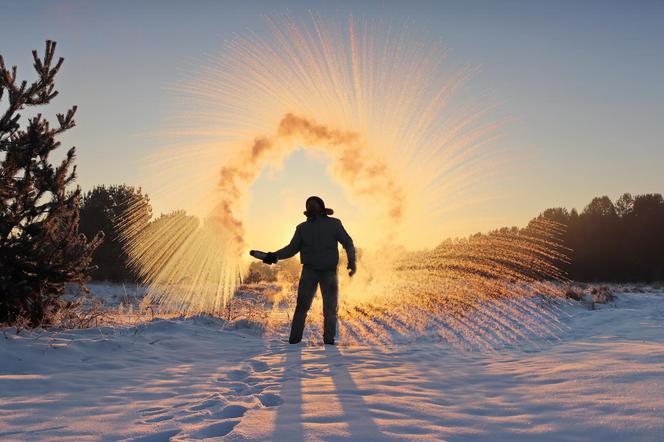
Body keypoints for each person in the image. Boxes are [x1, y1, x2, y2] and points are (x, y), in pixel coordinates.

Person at [261, 196, 356, 345]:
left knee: (330, 308)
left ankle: (329, 342)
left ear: (322, 207)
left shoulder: (334, 224)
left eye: (314, 204)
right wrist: (274, 256)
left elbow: (348, 242)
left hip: (329, 272)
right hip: (309, 272)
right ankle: (294, 341)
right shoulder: (302, 228)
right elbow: (292, 249)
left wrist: (352, 261)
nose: (311, 206)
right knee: (302, 307)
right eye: (308, 205)